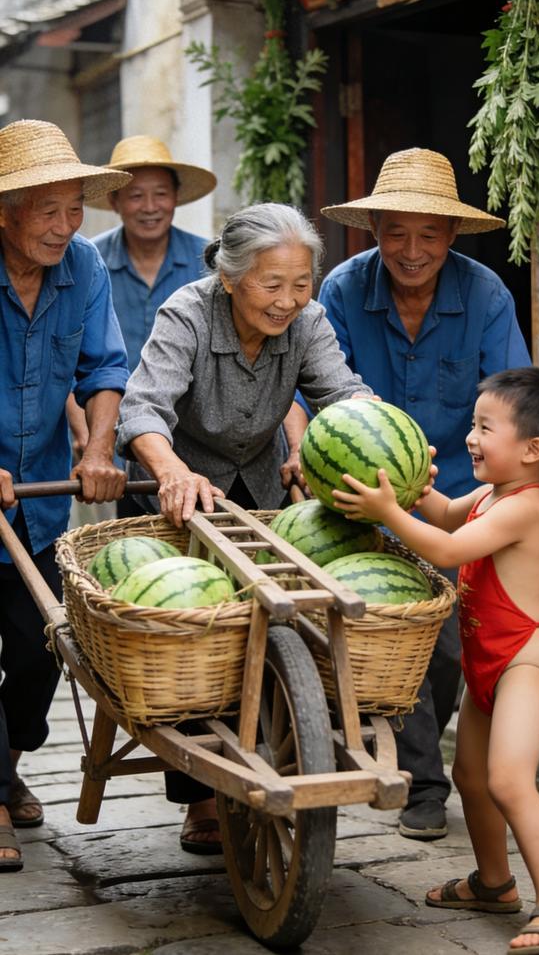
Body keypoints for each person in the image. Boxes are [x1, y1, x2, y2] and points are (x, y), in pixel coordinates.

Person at [285, 147, 531, 840]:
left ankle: (417, 756)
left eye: (428, 234)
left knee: (448, 649)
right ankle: (423, 783)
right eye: (396, 232)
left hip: (453, 500)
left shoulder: (484, 295)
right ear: (374, 230)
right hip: (358, 494)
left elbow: (511, 401)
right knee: (399, 639)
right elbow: (302, 383)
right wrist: (300, 450)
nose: (412, 250)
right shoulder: (341, 290)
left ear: (451, 235)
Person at [116, 201, 374, 853]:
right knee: (192, 631)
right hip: (177, 488)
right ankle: (200, 797)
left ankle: (273, 743)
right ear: (230, 278)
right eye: (272, 283)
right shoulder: (187, 312)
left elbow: (344, 392)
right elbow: (142, 407)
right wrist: (172, 470)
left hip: (258, 487)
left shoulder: (307, 320)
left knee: (265, 621)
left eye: (301, 283)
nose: (288, 300)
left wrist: (372, 437)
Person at [332, 367, 539, 954]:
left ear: (532, 450)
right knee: (471, 778)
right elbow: (449, 516)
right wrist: (416, 492)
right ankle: (494, 883)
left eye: (485, 428)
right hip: (487, 663)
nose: (470, 437)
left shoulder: (526, 506)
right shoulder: (493, 493)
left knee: (508, 781)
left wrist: (387, 512)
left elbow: (448, 549)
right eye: (474, 425)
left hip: (525, 663)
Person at [0, 119, 131, 871]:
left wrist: (101, 449)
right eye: (47, 210)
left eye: (75, 208)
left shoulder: (83, 267)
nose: (65, 226)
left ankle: (8, 765)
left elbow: (104, 367)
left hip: (41, 501)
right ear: (5, 213)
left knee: (39, 652)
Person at [68, 135, 217, 518]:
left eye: (160, 194)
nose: (149, 207)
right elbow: (66, 356)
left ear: (176, 198)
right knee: (113, 538)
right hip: (103, 441)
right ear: (115, 201)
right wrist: (89, 436)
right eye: (135, 196)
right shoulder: (85, 261)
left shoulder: (211, 263)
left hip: (190, 438)